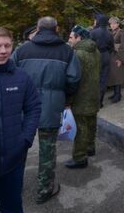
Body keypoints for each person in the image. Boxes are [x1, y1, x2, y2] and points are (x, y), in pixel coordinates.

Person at [12, 16, 81, 204]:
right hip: (52, 104)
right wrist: (65, 96)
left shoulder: (22, 50)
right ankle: (44, 190)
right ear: (57, 28)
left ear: (38, 28)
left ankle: (14, 186)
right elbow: (74, 78)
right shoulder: (66, 51)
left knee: (19, 147)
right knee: (48, 149)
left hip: (23, 105)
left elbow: (11, 73)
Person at [0, 27, 41, 213]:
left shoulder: (21, 76)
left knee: (12, 207)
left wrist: (25, 140)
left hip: (13, 159)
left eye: (8, 45)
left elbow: (34, 107)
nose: (3, 51)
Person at [65, 25, 101, 169]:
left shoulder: (77, 54)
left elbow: (73, 78)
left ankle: (80, 157)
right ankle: (90, 148)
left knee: (80, 127)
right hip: (93, 94)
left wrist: (68, 100)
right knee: (91, 122)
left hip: (80, 96)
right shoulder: (95, 51)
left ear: (79, 38)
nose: (69, 40)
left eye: (71, 37)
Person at [90, 14, 114, 107]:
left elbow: (90, 45)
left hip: (96, 56)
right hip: (106, 56)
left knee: (94, 79)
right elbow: (112, 47)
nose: (94, 21)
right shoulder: (109, 33)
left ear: (99, 21)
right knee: (103, 80)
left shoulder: (93, 32)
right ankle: (100, 102)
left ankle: (94, 102)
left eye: (96, 20)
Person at [106, 16, 124, 103]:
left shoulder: (122, 33)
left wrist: (120, 59)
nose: (112, 25)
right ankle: (115, 93)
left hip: (118, 57)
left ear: (118, 24)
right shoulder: (111, 33)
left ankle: (118, 94)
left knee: (118, 76)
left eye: (114, 23)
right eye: (111, 24)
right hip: (112, 57)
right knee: (114, 76)